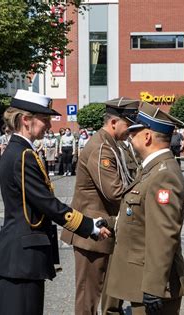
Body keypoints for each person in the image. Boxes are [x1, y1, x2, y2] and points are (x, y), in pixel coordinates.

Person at [0, 89, 111, 315]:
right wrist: (88, 225)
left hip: (22, 253)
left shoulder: (21, 150)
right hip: (22, 255)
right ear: (26, 120)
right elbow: (46, 203)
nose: (49, 125)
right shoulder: (23, 154)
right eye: (44, 119)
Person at [105, 101, 184, 315]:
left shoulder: (163, 175)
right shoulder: (152, 170)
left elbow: (163, 235)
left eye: (134, 133)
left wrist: (153, 287)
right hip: (140, 280)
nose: (130, 138)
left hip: (150, 286)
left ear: (147, 137)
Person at [61, 97, 140, 315]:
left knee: (97, 291)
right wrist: (145, 193)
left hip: (103, 228)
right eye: (128, 125)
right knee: (88, 297)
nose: (130, 130)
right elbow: (113, 191)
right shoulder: (102, 148)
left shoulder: (111, 144)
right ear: (114, 122)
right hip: (92, 231)